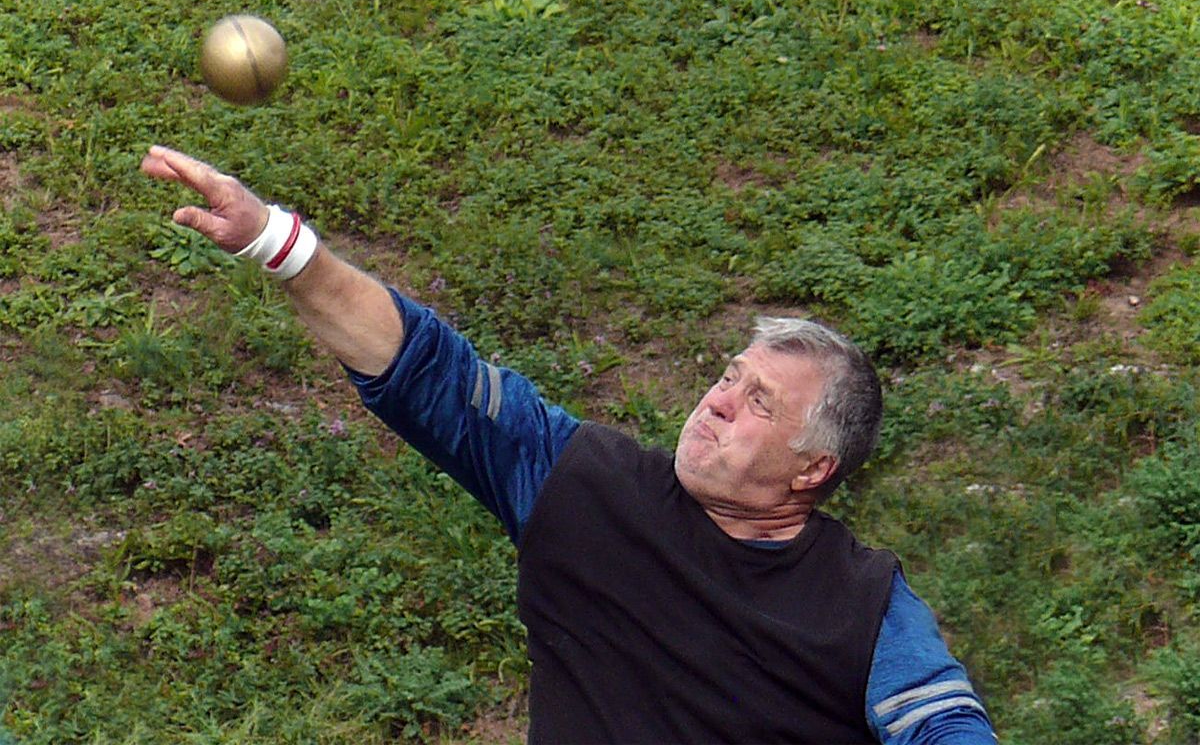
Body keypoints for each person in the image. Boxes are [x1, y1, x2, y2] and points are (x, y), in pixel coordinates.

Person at [141, 145, 997, 744]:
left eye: (758, 403)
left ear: (814, 468)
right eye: (729, 376)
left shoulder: (864, 604)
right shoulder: (584, 487)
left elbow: (947, 729)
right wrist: (273, 241)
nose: (717, 402)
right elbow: (427, 370)